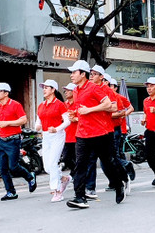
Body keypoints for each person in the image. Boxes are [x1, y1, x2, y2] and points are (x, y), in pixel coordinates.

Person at [65, 60, 128, 210]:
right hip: (82, 133)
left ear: (82, 74)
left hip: (101, 133)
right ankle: (79, 197)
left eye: (74, 72)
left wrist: (89, 110)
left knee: (109, 163)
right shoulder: (75, 90)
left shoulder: (94, 88)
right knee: (80, 165)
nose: (71, 75)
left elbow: (108, 105)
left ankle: (119, 185)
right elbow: (82, 109)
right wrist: (76, 114)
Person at [0, 82, 37, 202]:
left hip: (13, 140)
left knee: (13, 166)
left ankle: (30, 177)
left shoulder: (15, 105)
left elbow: (23, 119)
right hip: (1, 140)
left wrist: (8, 123)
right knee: (3, 169)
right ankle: (11, 192)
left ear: (6, 93)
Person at [36, 79, 71, 202]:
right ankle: (64, 179)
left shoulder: (60, 105)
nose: (44, 90)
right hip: (46, 136)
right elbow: (38, 121)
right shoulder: (41, 106)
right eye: (43, 87)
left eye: (46, 87)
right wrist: (38, 127)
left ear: (53, 90)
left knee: (53, 163)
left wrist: (56, 129)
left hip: (58, 135)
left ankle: (57, 191)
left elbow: (67, 121)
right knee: (47, 167)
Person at [108, 77, 136, 182]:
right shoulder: (106, 97)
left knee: (116, 153)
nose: (109, 87)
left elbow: (130, 108)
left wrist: (123, 115)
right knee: (116, 154)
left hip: (119, 128)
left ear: (115, 88)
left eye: (111, 85)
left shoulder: (118, 97)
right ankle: (121, 173)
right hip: (109, 129)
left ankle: (125, 167)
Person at [60, 83, 78, 173]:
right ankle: (75, 173)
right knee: (66, 158)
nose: (66, 93)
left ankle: (76, 176)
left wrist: (76, 119)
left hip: (77, 136)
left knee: (77, 159)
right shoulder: (63, 105)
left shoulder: (78, 104)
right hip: (66, 136)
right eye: (65, 91)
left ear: (74, 92)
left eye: (68, 90)